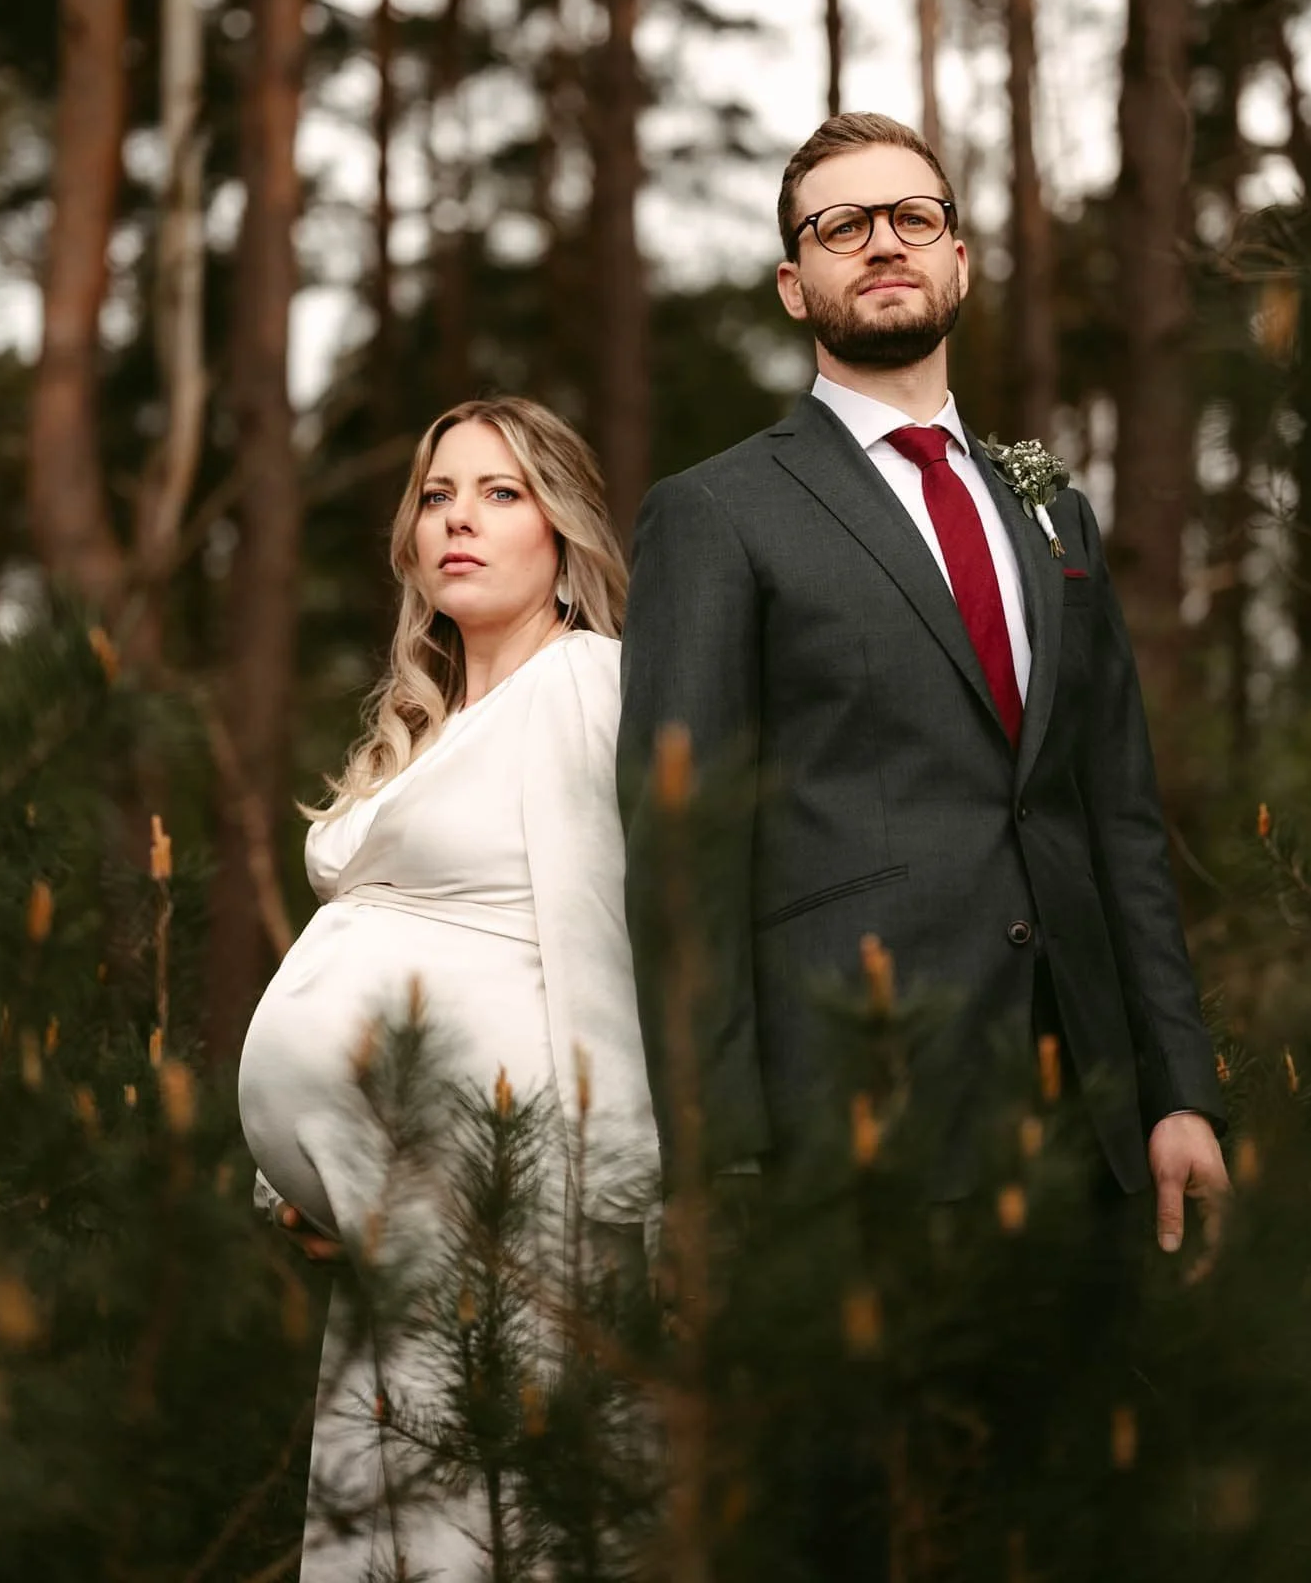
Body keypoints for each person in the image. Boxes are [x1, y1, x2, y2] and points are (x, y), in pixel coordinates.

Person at [618, 111, 1230, 1236]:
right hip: (857, 1122)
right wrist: (720, 1163)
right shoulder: (715, 514)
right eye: (843, 225)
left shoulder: (1055, 509)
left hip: (1087, 1123)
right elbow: (681, 863)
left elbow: (1121, 819)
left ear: (960, 256)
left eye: (913, 216)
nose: (885, 242)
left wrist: (1178, 1087)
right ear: (795, 283)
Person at [239, 396, 659, 1583]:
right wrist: (292, 1179)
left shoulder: (584, 684)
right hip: (394, 1214)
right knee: (396, 1510)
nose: (458, 519)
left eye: (500, 491)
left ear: (564, 536)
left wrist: (632, 1211)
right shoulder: (421, 726)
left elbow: (601, 947)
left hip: (515, 1196)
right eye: (437, 494)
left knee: (497, 1522)